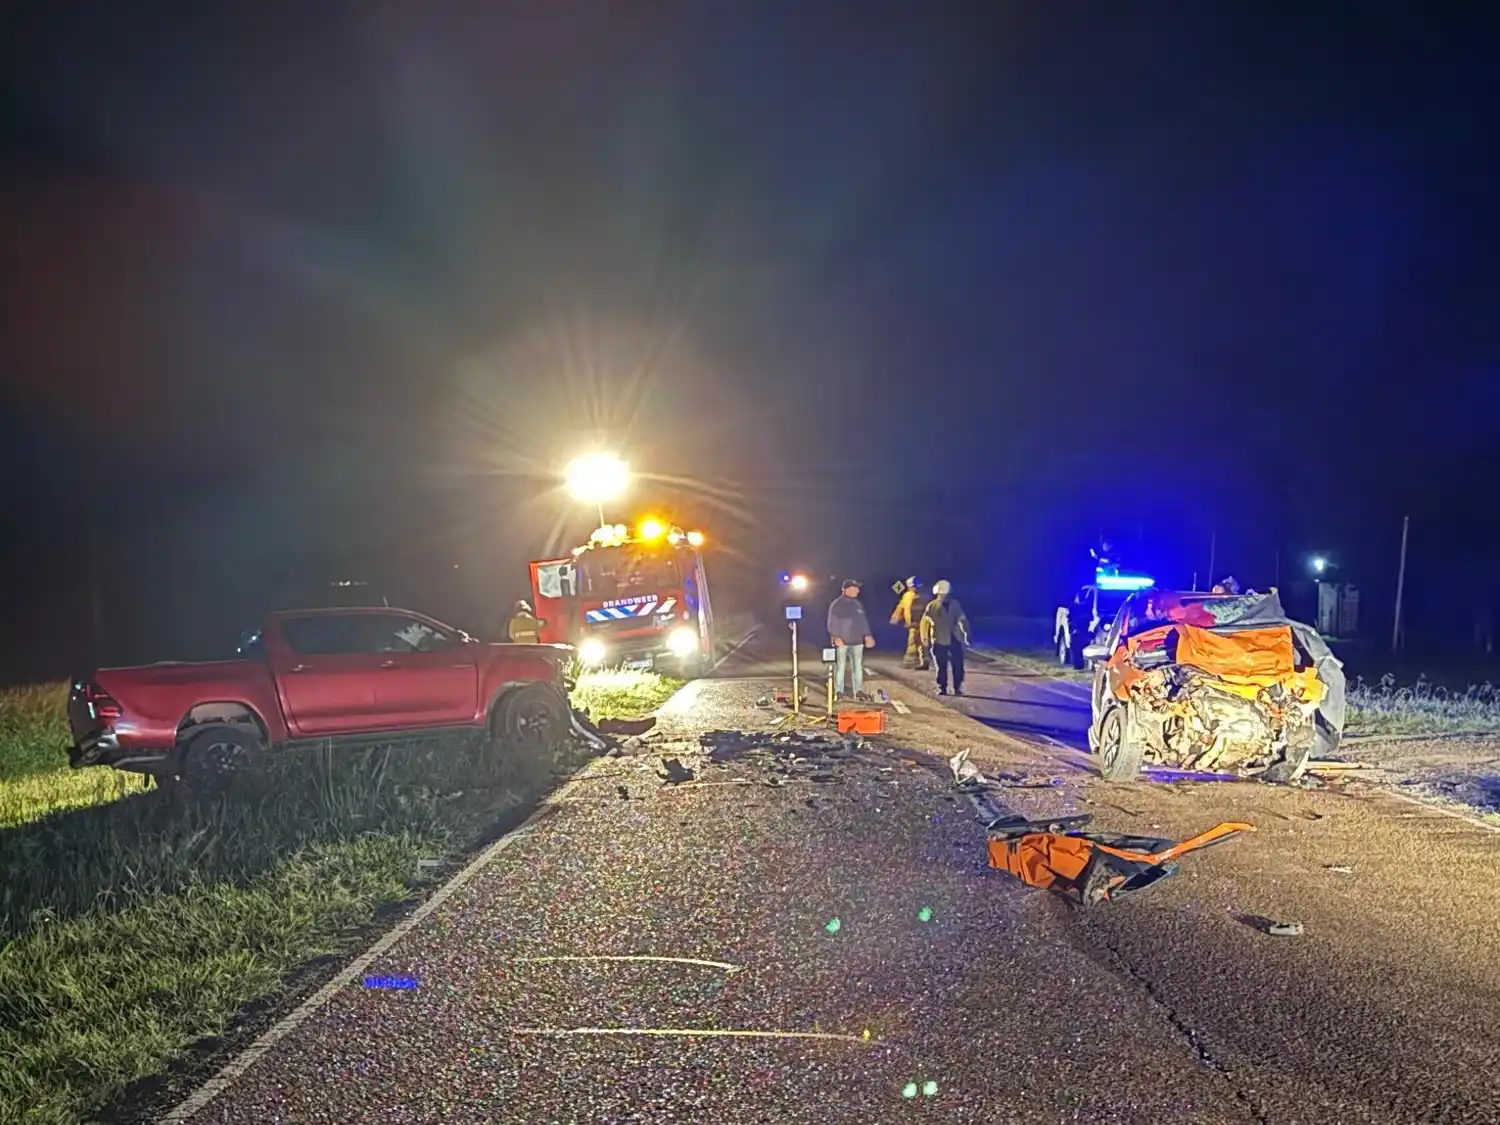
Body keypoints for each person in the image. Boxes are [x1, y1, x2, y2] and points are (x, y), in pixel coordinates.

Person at [827, 578, 876, 700]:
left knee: (858, 668)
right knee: (840, 667)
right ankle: (839, 692)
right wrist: (836, 636)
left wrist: (867, 635)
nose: (858, 591)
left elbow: (862, 621)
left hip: (857, 642)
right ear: (846, 590)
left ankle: (858, 691)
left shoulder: (857, 605)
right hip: (842, 642)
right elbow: (832, 623)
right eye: (855, 589)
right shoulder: (836, 605)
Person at [923, 579, 971, 697]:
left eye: (946, 595)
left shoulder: (955, 605)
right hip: (939, 639)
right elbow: (924, 622)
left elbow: (962, 620)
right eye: (942, 595)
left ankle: (957, 687)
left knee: (957, 665)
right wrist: (925, 638)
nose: (945, 597)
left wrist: (967, 634)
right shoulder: (932, 606)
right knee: (941, 665)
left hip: (954, 638)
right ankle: (942, 687)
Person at [889, 577, 930, 670]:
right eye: (913, 587)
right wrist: (895, 618)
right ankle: (921, 662)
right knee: (918, 642)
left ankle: (911, 662)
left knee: (917, 642)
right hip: (913, 623)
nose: (915, 589)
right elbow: (901, 607)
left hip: (922, 623)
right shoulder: (907, 596)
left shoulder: (924, 596)